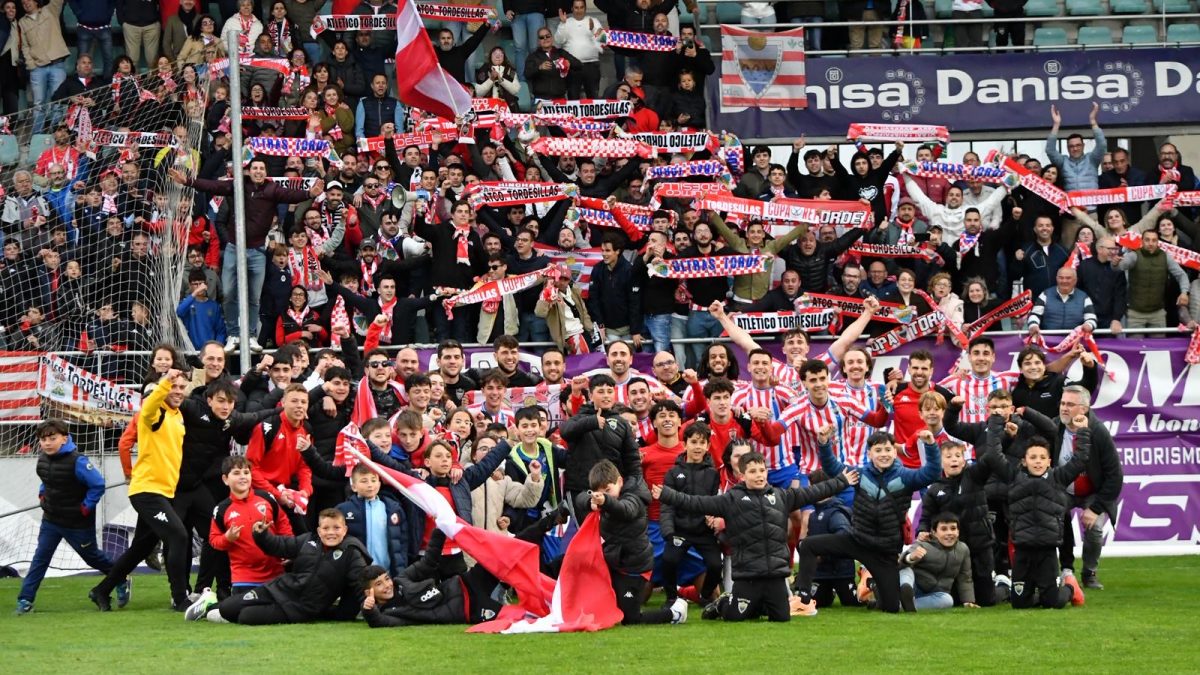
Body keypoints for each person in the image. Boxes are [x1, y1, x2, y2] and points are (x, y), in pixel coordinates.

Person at [655, 451, 854, 620]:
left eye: (762, 470)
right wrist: (668, 495)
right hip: (747, 576)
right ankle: (722, 604)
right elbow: (696, 502)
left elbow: (814, 492)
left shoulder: (781, 496)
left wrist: (841, 481)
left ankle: (758, 604)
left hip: (775, 574)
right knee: (735, 617)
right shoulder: (731, 499)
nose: (759, 475)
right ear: (742, 476)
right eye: (752, 471)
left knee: (782, 617)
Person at [170, 160, 323, 354]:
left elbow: (290, 194)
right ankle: (234, 334)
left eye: (262, 168)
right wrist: (189, 181)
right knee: (228, 292)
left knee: (254, 297)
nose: (258, 171)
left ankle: (251, 336)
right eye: (255, 168)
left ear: (266, 172)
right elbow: (214, 185)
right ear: (249, 171)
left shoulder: (272, 189)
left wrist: (310, 194)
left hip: (257, 251)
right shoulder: (239, 185)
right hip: (235, 248)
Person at [794, 428, 942, 614]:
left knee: (891, 608)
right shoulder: (860, 474)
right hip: (856, 540)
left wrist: (930, 445)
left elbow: (932, 473)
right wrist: (824, 443)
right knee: (808, 545)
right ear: (869, 453)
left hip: (884, 550)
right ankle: (803, 599)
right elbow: (832, 468)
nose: (884, 454)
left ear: (894, 452)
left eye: (888, 450)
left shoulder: (906, 476)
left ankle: (875, 593)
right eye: (878, 450)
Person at [89, 369, 192, 611]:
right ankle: (180, 598)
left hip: (164, 492)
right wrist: (165, 382)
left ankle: (101, 590)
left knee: (141, 548)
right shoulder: (153, 412)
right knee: (178, 536)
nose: (177, 391)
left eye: (181, 387)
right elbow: (149, 405)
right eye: (173, 387)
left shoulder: (177, 415)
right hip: (147, 491)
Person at [185, 508, 368, 624]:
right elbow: (280, 545)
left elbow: (362, 586)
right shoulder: (308, 540)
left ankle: (217, 612)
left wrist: (372, 611)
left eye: (336, 528)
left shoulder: (352, 553)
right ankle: (210, 604)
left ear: (345, 530)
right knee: (228, 608)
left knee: (246, 617)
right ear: (319, 531)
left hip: (297, 609)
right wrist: (262, 535)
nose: (331, 532)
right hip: (278, 589)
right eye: (326, 528)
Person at [16, 421, 122, 615]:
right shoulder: (42, 459)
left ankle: (120, 578)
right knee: (40, 558)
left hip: (77, 523)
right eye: (43, 439)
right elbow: (47, 481)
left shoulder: (78, 461)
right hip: (51, 520)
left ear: (64, 438)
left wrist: (85, 507)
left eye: (52, 438)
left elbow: (97, 485)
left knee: (92, 558)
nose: (47, 443)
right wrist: (42, 495)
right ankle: (25, 600)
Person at [988, 424, 1090, 610]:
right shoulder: (1014, 478)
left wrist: (1082, 431)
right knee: (1019, 605)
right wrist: (996, 422)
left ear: (1049, 461)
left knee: (1053, 603)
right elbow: (994, 456)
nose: (1038, 461)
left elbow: (1081, 459)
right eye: (1033, 457)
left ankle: (1069, 587)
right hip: (1022, 551)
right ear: (1024, 461)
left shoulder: (1058, 477)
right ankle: (1038, 595)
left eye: (1042, 458)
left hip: (1047, 551)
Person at [588, 460, 687, 625]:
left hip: (634, 569)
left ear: (620, 481)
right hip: (615, 564)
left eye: (608, 490)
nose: (604, 495)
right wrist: (588, 502)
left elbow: (625, 509)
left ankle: (674, 614)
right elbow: (580, 498)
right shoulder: (606, 499)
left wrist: (605, 501)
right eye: (599, 493)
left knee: (630, 618)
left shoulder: (634, 497)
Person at [658, 422, 722, 605]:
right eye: (694, 442)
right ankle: (671, 597)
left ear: (708, 446)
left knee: (716, 565)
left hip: (704, 532)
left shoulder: (713, 474)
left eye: (702, 443)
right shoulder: (673, 473)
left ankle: (705, 595)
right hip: (680, 531)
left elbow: (716, 503)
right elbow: (667, 506)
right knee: (669, 560)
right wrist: (669, 532)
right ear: (685, 444)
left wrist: (714, 518)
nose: (698, 447)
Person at [209, 456, 294, 592]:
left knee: (277, 612)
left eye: (246, 472)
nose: (243, 477)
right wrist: (227, 538)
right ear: (225, 480)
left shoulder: (267, 498)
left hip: (275, 573)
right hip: (243, 577)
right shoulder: (221, 509)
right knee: (245, 613)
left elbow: (283, 524)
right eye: (236, 473)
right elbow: (214, 540)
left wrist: (287, 549)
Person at [338, 462, 409, 577]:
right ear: (354, 486)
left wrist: (401, 565)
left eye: (373, 480)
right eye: (364, 481)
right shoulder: (344, 510)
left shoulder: (393, 508)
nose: (370, 485)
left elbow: (403, 540)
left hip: (388, 572)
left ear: (379, 483)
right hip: (358, 573)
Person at [898, 512, 978, 611]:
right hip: (915, 587)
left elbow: (965, 577)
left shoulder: (963, 549)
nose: (949, 533)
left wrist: (968, 601)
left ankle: (902, 606)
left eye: (953, 528)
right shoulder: (923, 544)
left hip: (935, 594)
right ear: (934, 532)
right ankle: (904, 594)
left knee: (948, 600)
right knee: (906, 570)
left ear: (958, 532)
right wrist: (910, 558)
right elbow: (899, 564)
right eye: (944, 529)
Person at [1117, 229, 1190, 329]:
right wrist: (1115, 263)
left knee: (1159, 344)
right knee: (1136, 345)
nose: (1150, 243)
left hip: (1158, 313)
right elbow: (1119, 267)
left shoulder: (1165, 257)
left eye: (1154, 240)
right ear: (1142, 241)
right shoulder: (1134, 255)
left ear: (1157, 242)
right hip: (1135, 314)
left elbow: (1181, 275)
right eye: (1147, 240)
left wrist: (1184, 292)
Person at [1027, 267, 1098, 335]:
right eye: (1061, 278)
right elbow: (1035, 315)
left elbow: (1092, 318)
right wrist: (1033, 325)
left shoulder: (1084, 297)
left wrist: (1089, 325)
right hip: (1049, 340)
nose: (1064, 281)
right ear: (1056, 279)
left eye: (1068, 278)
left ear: (1075, 280)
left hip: (1075, 342)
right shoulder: (1045, 295)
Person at [177, 270, 227, 347]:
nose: (199, 286)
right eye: (195, 284)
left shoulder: (214, 305)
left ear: (206, 285)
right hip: (191, 351)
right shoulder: (187, 303)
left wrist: (216, 347)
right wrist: (195, 293)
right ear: (190, 286)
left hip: (209, 351)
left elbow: (221, 331)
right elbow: (179, 311)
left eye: (201, 283)